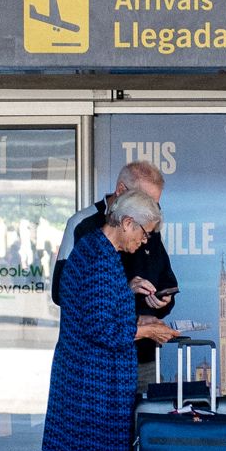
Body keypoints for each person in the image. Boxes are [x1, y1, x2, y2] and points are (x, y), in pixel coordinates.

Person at [43, 188, 177, 451]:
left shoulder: (94, 253)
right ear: (127, 223)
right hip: (94, 390)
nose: (146, 241)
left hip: (83, 385)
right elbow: (104, 328)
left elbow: (91, 306)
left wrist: (129, 288)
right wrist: (149, 328)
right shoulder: (101, 261)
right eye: (145, 233)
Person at [58, 161, 178, 386]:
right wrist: (141, 323)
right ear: (127, 221)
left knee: (141, 420)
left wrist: (159, 304)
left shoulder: (143, 229)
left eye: (156, 204)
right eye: (145, 201)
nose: (144, 240)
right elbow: (75, 302)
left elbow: (166, 278)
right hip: (94, 368)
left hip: (138, 357)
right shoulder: (91, 240)